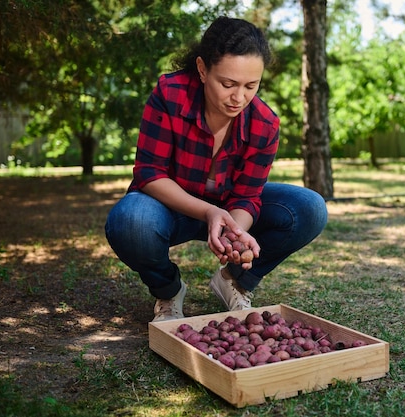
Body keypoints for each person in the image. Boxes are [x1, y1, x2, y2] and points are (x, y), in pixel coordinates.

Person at [105, 16, 328, 322]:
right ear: (202, 69)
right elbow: (149, 174)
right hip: (169, 207)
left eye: (251, 85)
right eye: (227, 84)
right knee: (130, 221)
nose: (239, 98)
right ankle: (168, 290)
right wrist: (209, 213)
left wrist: (234, 234)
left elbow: (248, 196)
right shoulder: (170, 94)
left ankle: (234, 280)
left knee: (310, 208)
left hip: (226, 211)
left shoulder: (265, 123)